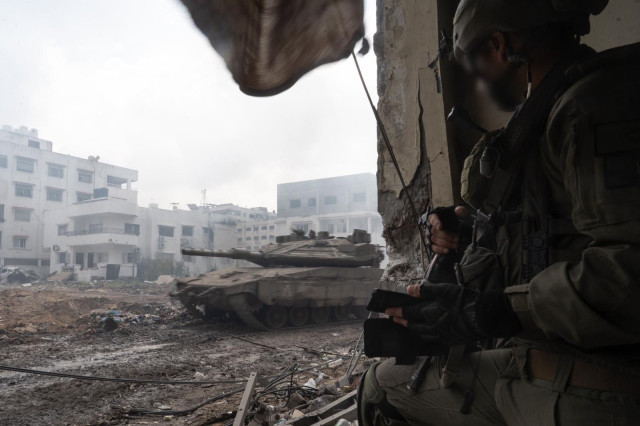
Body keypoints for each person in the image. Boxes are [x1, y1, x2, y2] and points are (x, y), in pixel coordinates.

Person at [358, 0, 640, 425]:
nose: (479, 81)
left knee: (380, 391)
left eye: (475, 64)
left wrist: (494, 311)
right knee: (384, 380)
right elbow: (557, 232)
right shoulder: (548, 111)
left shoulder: (590, 107)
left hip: (599, 380)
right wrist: (468, 234)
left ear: (500, 46)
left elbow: (629, 273)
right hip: (546, 355)